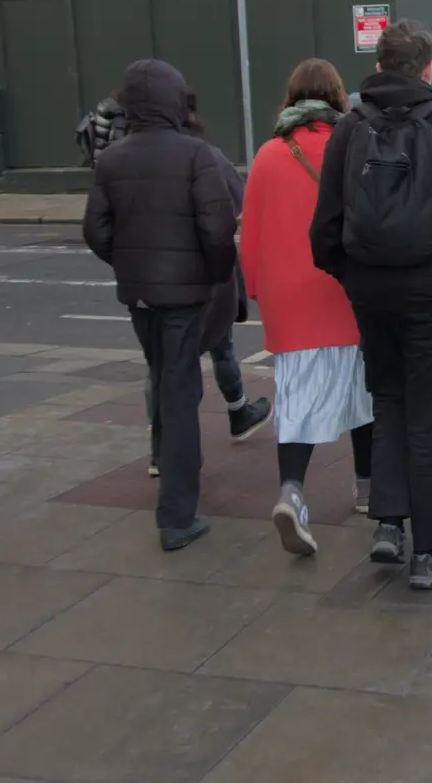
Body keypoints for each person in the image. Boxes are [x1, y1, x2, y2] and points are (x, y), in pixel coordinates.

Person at [311, 20, 432, 590]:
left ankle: (388, 525)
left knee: (387, 400)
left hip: (372, 293)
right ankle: (428, 552)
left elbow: (325, 230)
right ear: (427, 68)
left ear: (378, 62)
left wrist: (356, 279)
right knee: (431, 416)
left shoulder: (348, 130)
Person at [84, 60, 238, 552]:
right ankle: (176, 516)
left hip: (142, 298)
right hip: (189, 296)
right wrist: (213, 276)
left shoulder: (112, 161)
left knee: (167, 382)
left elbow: (96, 231)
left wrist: (130, 265)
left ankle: (174, 501)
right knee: (179, 392)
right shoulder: (196, 156)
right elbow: (218, 230)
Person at [240, 60, 376, 556]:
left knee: (297, 401)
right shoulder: (354, 147)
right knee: (365, 392)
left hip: (291, 301)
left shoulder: (270, 156)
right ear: (339, 98)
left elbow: (249, 239)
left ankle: (292, 494)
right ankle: (368, 488)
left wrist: (261, 292)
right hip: (349, 291)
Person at [143, 93, 271, 480]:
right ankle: (237, 412)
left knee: (160, 363)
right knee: (220, 342)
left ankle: (160, 446)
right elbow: (235, 210)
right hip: (200, 274)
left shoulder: (132, 156)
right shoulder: (205, 156)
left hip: (153, 277)